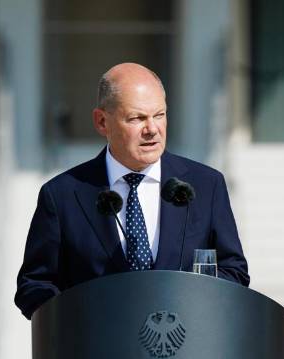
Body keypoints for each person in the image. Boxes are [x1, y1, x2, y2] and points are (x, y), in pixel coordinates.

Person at [15, 63, 249, 318]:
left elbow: (234, 271)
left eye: (159, 115)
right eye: (137, 118)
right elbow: (34, 285)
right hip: (98, 351)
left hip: (183, 348)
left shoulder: (206, 185)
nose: (152, 129)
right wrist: (77, 321)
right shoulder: (62, 196)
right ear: (102, 121)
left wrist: (194, 302)